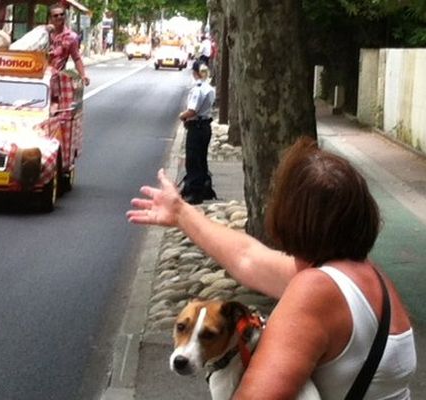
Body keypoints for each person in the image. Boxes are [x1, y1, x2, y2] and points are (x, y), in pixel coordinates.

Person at [127, 137, 416, 399]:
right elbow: (248, 257)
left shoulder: (316, 290)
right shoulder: (369, 280)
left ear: (287, 218)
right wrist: (180, 212)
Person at [179, 60, 216, 205]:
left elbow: (192, 110)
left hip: (196, 126)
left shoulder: (197, 89)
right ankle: (204, 186)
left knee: (193, 160)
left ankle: (194, 192)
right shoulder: (210, 88)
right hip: (206, 126)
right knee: (202, 159)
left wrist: (182, 116)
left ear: (195, 73)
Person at [47, 3, 90, 86]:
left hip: (57, 79)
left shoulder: (71, 37)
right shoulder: (43, 33)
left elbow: (76, 58)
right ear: (50, 18)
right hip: (39, 76)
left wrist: (83, 75)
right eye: (55, 15)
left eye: (61, 14)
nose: (59, 17)